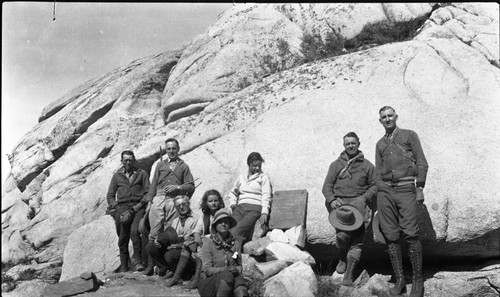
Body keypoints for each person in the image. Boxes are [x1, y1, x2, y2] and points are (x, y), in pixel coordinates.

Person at [375, 106, 428, 297]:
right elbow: (377, 171)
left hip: (406, 188)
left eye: (390, 116)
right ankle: (400, 280)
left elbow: (422, 162)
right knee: (390, 236)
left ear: (396, 117)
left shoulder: (409, 136)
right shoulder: (380, 144)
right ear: (380, 121)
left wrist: (419, 187)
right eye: (383, 117)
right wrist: (381, 190)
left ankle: (418, 281)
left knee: (411, 234)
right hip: (386, 192)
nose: (387, 119)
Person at [322, 132, 377, 286]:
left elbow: (375, 185)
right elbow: (327, 186)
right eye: (348, 144)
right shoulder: (336, 165)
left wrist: (364, 198)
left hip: (359, 204)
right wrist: (331, 199)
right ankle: (342, 257)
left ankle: (348, 275)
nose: (351, 146)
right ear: (344, 145)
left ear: (358, 143)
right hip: (341, 205)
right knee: (342, 236)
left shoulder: (367, 165)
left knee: (357, 242)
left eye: (353, 143)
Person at [143, 138, 195, 275]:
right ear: (165, 151)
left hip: (174, 199)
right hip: (159, 197)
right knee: (154, 230)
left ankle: (168, 266)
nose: (171, 151)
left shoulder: (183, 166)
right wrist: (150, 201)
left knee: (169, 231)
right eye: (168, 149)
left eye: (173, 148)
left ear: (178, 149)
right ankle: (151, 264)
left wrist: (178, 187)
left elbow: (190, 185)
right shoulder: (160, 165)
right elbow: (153, 184)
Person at [106, 150, 150, 272]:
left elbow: (148, 193)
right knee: (123, 235)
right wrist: (118, 208)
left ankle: (137, 261)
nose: (128, 163)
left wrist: (139, 205)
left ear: (134, 160)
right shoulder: (117, 176)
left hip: (138, 207)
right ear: (122, 161)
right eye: (125, 160)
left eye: (130, 160)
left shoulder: (142, 174)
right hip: (122, 207)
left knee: (135, 231)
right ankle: (124, 265)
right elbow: (110, 196)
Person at [146, 195, 203, 285]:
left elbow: (194, 240)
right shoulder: (175, 221)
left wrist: (178, 245)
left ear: (188, 204)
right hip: (175, 248)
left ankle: (180, 274)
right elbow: (172, 238)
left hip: (189, 252)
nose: (181, 207)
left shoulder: (198, 218)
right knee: (151, 246)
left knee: (170, 255)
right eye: (178, 206)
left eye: (184, 204)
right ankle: (165, 269)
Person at [198, 209, 249, 297]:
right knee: (228, 276)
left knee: (240, 284)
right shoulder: (208, 243)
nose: (223, 224)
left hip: (230, 279)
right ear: (215, 225)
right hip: (209, 283)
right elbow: (207, 270)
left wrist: (236, 269)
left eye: (226, 222)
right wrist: (227, 270)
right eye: (220, 222)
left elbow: (239, 264)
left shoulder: (235, 243)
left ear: (229, 225)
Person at [184, 190, 226, 289]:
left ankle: (197, 278)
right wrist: (197, 237)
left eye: (216, 200)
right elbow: (197, 230)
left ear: (219, 202)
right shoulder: (205, 215)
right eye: (210, 201)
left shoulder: (223, 214)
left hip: (219, 243)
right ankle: (177, 275)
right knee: (187, 244)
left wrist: (203, 238)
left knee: (203, 246)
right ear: (206, 202)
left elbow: (221, 233)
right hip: (205, 241)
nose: (213, 203)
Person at [228, 152, 272, 245]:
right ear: (249, 164)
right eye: (255, 166)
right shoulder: (241, 177)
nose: (257, 168)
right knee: (229, 230)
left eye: (259, 166)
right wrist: (232, 203)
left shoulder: (263, 178)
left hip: (254, 208)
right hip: (239, 208)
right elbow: (233, 192)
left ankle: (236, 257)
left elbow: (266, 195)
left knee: (237, 231)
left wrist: (264, 212)